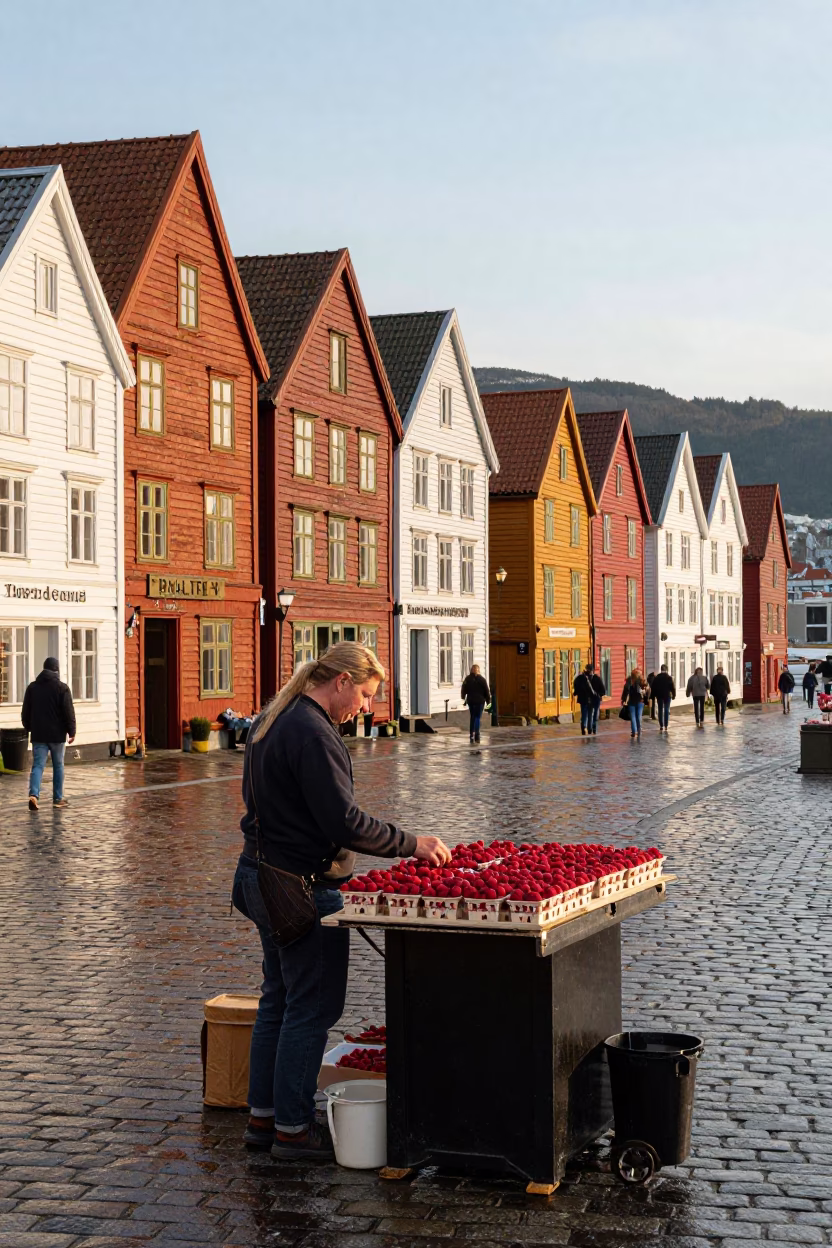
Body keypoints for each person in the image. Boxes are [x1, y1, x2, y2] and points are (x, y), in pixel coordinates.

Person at [232, 642, 451, 1160]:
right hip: (300, 888)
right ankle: (292, 1130)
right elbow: (343, 822)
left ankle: (263, 1122)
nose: (366, 708)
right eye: (367, 694)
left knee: (278, 1000)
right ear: (343, 681)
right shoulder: (311, 731)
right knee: (311, 1008)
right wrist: (412, 844)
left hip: (262, 876)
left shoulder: (275, 716)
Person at [21, 656, 76, 810]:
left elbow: (25, 711)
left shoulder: (32, 688)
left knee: (38, 765)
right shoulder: (62, 688)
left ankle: (34, 795)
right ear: (56, 670)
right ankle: (58, 799)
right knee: (58, 765)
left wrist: (28, 727)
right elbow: (68, 712)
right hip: (57, 735)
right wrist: (72, 731)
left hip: (38, 735)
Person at [461, 664, 490, 744]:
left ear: (471, 670)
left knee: (472, 717)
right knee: (477, 717)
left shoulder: (467, 679)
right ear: (478, 670)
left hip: (471, 701)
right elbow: (487, 692)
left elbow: (463, 688)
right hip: (480, 701)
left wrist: (463, 697)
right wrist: (489, 703)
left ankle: (471, 734)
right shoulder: (482, 680)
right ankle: (477, 734)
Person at [621, 668, 648, 738]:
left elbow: (625, 691)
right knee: (638, 717)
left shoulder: (629, 681)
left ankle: (634, 732)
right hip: (640, 701)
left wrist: (623, 700)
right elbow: (647, 689)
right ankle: (638, 730)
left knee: (633, 717)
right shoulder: (642, 680)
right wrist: (646, 698)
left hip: (632, 702)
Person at [650, 664, 676, 733]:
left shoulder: (657, 678)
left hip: (659, 696)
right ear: (666, 670)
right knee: (666, 709)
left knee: (660, 710)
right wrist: (674, 695)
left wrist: (652, 696)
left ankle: (661, 725)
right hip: (667, 696)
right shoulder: (669, 678)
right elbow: (672, 687)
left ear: (661, 670)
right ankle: (666, 725)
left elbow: (653, 688)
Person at [573, 663, 596, 736]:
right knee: (590, 714)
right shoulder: (594, 678)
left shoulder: (580, 677)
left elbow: (576, 685)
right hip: (591, 699)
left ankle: (584, 727)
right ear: (591, 670)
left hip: (582, 699)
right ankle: (589, 729)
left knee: (584, 714)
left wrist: (576, 692)